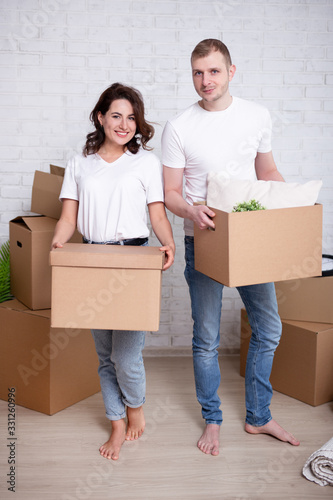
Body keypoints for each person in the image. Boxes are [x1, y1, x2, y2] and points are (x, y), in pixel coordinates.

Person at [162, 39, 300, 456]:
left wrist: (291, 200)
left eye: (214, 71)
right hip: (202, 239)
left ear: (231, 71)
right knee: (205, 337)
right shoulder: (179, 126)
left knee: (269, 327)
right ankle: (212, 419)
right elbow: (170, 192)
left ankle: (259, 417)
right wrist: (191, 211)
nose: (205, 81)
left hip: (248, 236)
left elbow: (267, 169)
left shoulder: (257, 116)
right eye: (198, 73)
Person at [51, 82, 175, 461]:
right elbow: (68, 218)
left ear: (138, 124)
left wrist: (168, 243)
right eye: (116, 115)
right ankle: (116, 420)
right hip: (91, 259)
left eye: (131, 117)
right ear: (101, 117)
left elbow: (157, 214)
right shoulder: (79, 164)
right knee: (104, 354)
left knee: (126, 355)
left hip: (133, 261)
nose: (124, 124)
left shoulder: (146, 163)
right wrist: (57, 246)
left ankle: (135, 406)